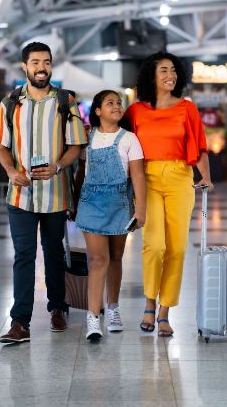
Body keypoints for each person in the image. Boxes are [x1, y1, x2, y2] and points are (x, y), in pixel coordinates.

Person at [0, 42, 87, 344]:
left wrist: (58, 166)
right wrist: (10, 172)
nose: (41, 67)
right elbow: (2, 147)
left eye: (46, 62)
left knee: (54, 253)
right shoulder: (9, 103)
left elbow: (76, 146)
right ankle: (20, 322)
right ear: (24, 66)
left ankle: (58, 307)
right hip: (20, 196)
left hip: (56, 193)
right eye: (35, 62)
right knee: (24, 256)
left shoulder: (65, 101)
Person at [125, 51, 214, 337]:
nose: (170, 75)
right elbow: (118, 138)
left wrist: (207, 177)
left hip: (179, 178)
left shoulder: (187, 108)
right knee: (155, 245)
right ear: (151, 75)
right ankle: (149, 303)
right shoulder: (136, 110)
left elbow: (198, 145)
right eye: (164, 70)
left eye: (173, 70)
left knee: (176, 248)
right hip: (146, 178)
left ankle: (164, 311)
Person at [75, 90, 146, 341]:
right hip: (91, 204)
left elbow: (137, 175)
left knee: (116, 257)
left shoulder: (130, 139)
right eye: (110, 103)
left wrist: (141, 210)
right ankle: (93, 317)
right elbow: (81, 170)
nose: (116, 106)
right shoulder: (87, 137)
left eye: (118, 103)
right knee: (97, 260)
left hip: (119, 204)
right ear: (97, 111)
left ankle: (113, 308)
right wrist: (73, 202)